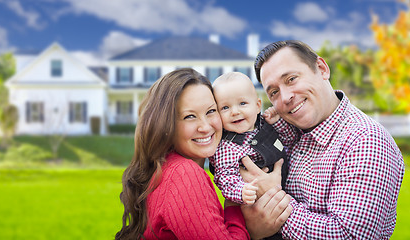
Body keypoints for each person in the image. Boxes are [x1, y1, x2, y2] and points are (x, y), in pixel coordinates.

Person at [242, 40, 405, 239]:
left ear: (321, 69)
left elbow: (349, 236)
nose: (285, 97)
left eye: (291, 79)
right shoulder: (289, 133)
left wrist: (273, 202)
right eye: (274, 92)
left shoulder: (365, 140)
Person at [115, 68, 292, 240]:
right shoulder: (184, 174)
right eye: (189, 116)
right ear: (166, 125)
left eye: (210, 111)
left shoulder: (167, 167)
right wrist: (245, 221)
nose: (206, 127)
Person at [209, 72, 288, 205]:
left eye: (242, 103)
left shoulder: (265, 124)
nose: (235, 112)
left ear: (257, 106)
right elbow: (225, 178)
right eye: (225, 107)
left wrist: (277, 122)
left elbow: (289, 140)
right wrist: (241, 191)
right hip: (259, 202)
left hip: (290, 189)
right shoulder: (226, 147)